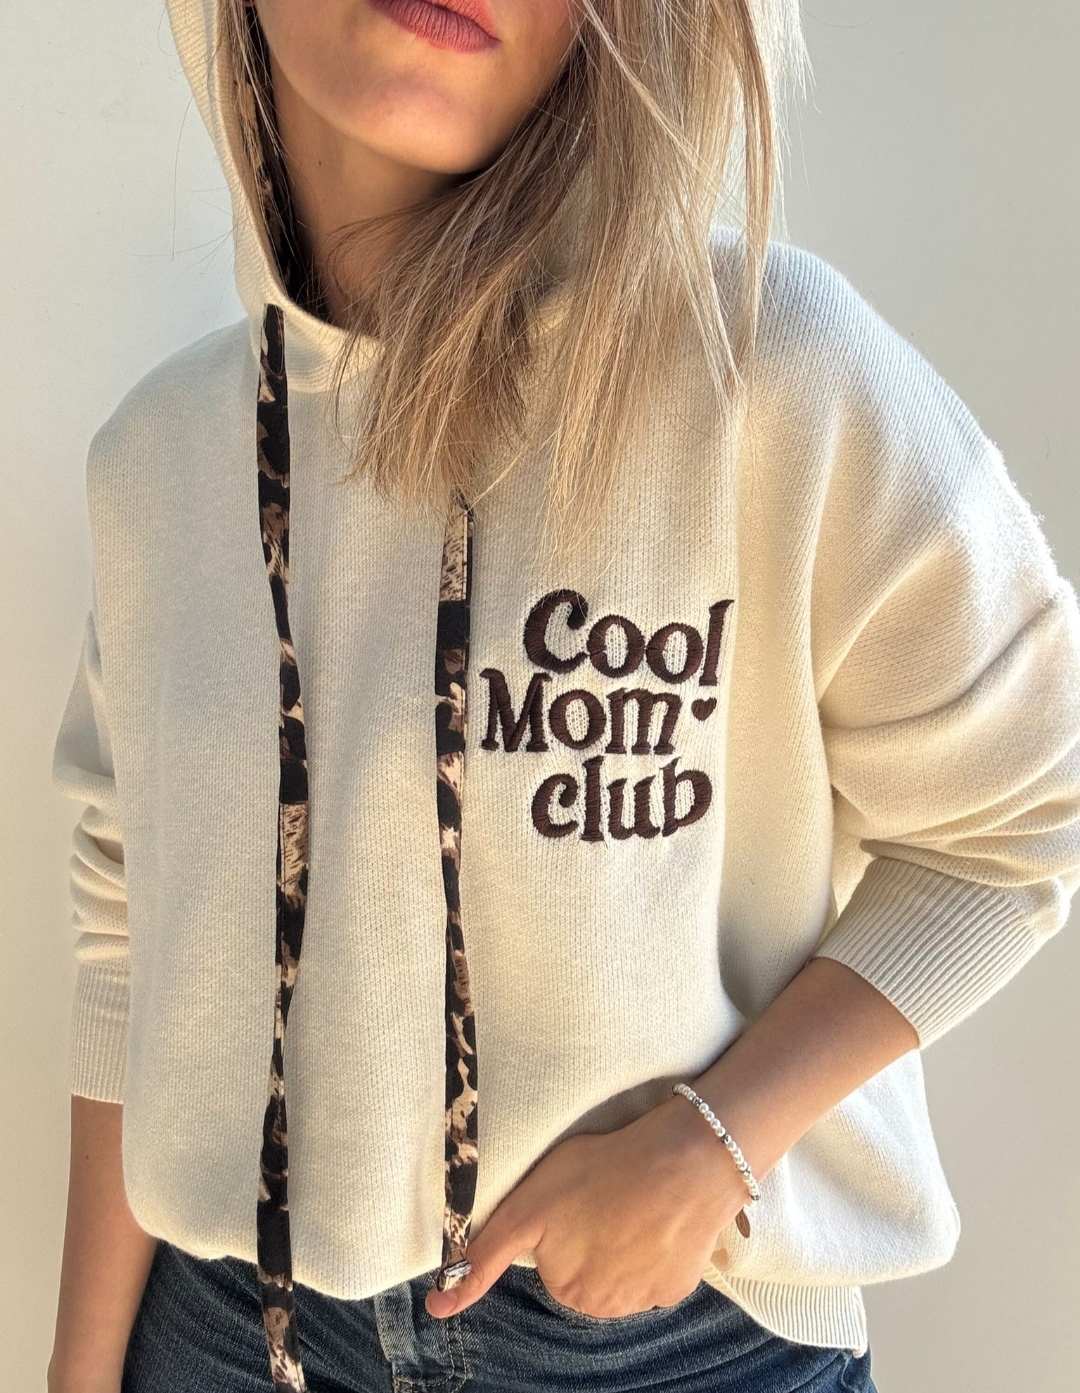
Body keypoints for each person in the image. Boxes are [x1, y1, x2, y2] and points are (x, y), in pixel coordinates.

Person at [46, 1, 1080, 1391]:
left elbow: (1025, 816)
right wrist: (80, 1362)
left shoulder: (765, 367)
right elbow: (127, 926)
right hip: (226, 1330)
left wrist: (713, 1142)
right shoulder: (159, 459)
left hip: (664, 1347)